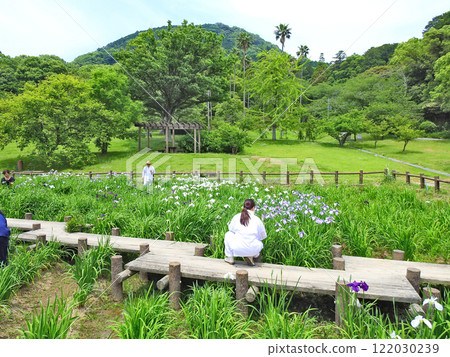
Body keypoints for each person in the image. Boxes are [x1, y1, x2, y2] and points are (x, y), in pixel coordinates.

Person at [224, 198, 267, 266]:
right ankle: (251, 256)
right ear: (253, 208)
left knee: (228, 234)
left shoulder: (237, 217)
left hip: (237, 248)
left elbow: (231, 229)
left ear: (243, 207)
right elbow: (263, 236)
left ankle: (230, 257)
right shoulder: (257, 219)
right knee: (258, 240)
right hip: (254, 249)